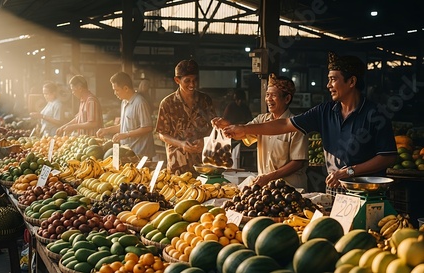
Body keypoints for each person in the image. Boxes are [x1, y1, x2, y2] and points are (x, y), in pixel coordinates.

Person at [215, 52, 397, 195]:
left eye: (333, 79)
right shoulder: (325, 111)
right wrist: (243, 129)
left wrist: (349, 172)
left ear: (351, 81)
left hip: (367, 192)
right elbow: (284, 124)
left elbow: (388, 156)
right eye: (328, 79)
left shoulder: (375, 114)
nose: (328, 85)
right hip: (335, 189)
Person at [215, 74, 309, 190]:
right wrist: (228, 126)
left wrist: (269, 177)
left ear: (287, 99)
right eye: (267, 95)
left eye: (273, 95)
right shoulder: (261, 120)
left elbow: (298, 162)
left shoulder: (296, 125)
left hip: (291, 189)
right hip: (267, 189)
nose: (268, 99)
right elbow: (244, 132)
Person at [156, 59, 216, 174]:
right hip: (178, 164)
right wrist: (181, 144)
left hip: (204, 161)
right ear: (177, 80)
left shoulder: (205, 101)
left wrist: (205, 141)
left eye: (195, 80)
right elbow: (162, 134)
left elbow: (214, 128)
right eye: (187, 81)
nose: (192, 85)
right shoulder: (167, 103)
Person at [96, 72, 155, 158]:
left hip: (140, 154)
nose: (115, 93)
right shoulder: (124, 102)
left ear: (126, 88)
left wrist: (125, 134)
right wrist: (107, 130)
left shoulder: (140, 103)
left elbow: (148, 128)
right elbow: (124, 126)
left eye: (117, 90)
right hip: (128, 152)